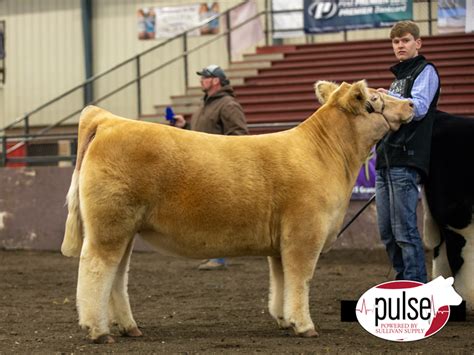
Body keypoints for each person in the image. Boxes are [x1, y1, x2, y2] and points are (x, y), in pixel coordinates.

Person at [375, 21, 440, 283]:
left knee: (404, 231)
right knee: (388, 232)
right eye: (395, 42)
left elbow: (419, 108)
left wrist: (388, 100)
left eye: (405, 40)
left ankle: (415, 287)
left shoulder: (426, 71)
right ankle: (403, 282)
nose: (399, 45)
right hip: (386, 160)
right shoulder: (398, 80)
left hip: (406, 158)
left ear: (417, 43)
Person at [173, 64, 249, 270]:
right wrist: (185, 127)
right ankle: (212, 254)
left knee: (219, 213)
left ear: (215, 80)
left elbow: (240, 135)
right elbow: (203, 133)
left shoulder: (228, 105)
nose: (201, 80)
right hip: (202, 168)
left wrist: (221, 157)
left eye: (205, 77)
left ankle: (219, 256)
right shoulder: (205, 106)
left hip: (219, 168)